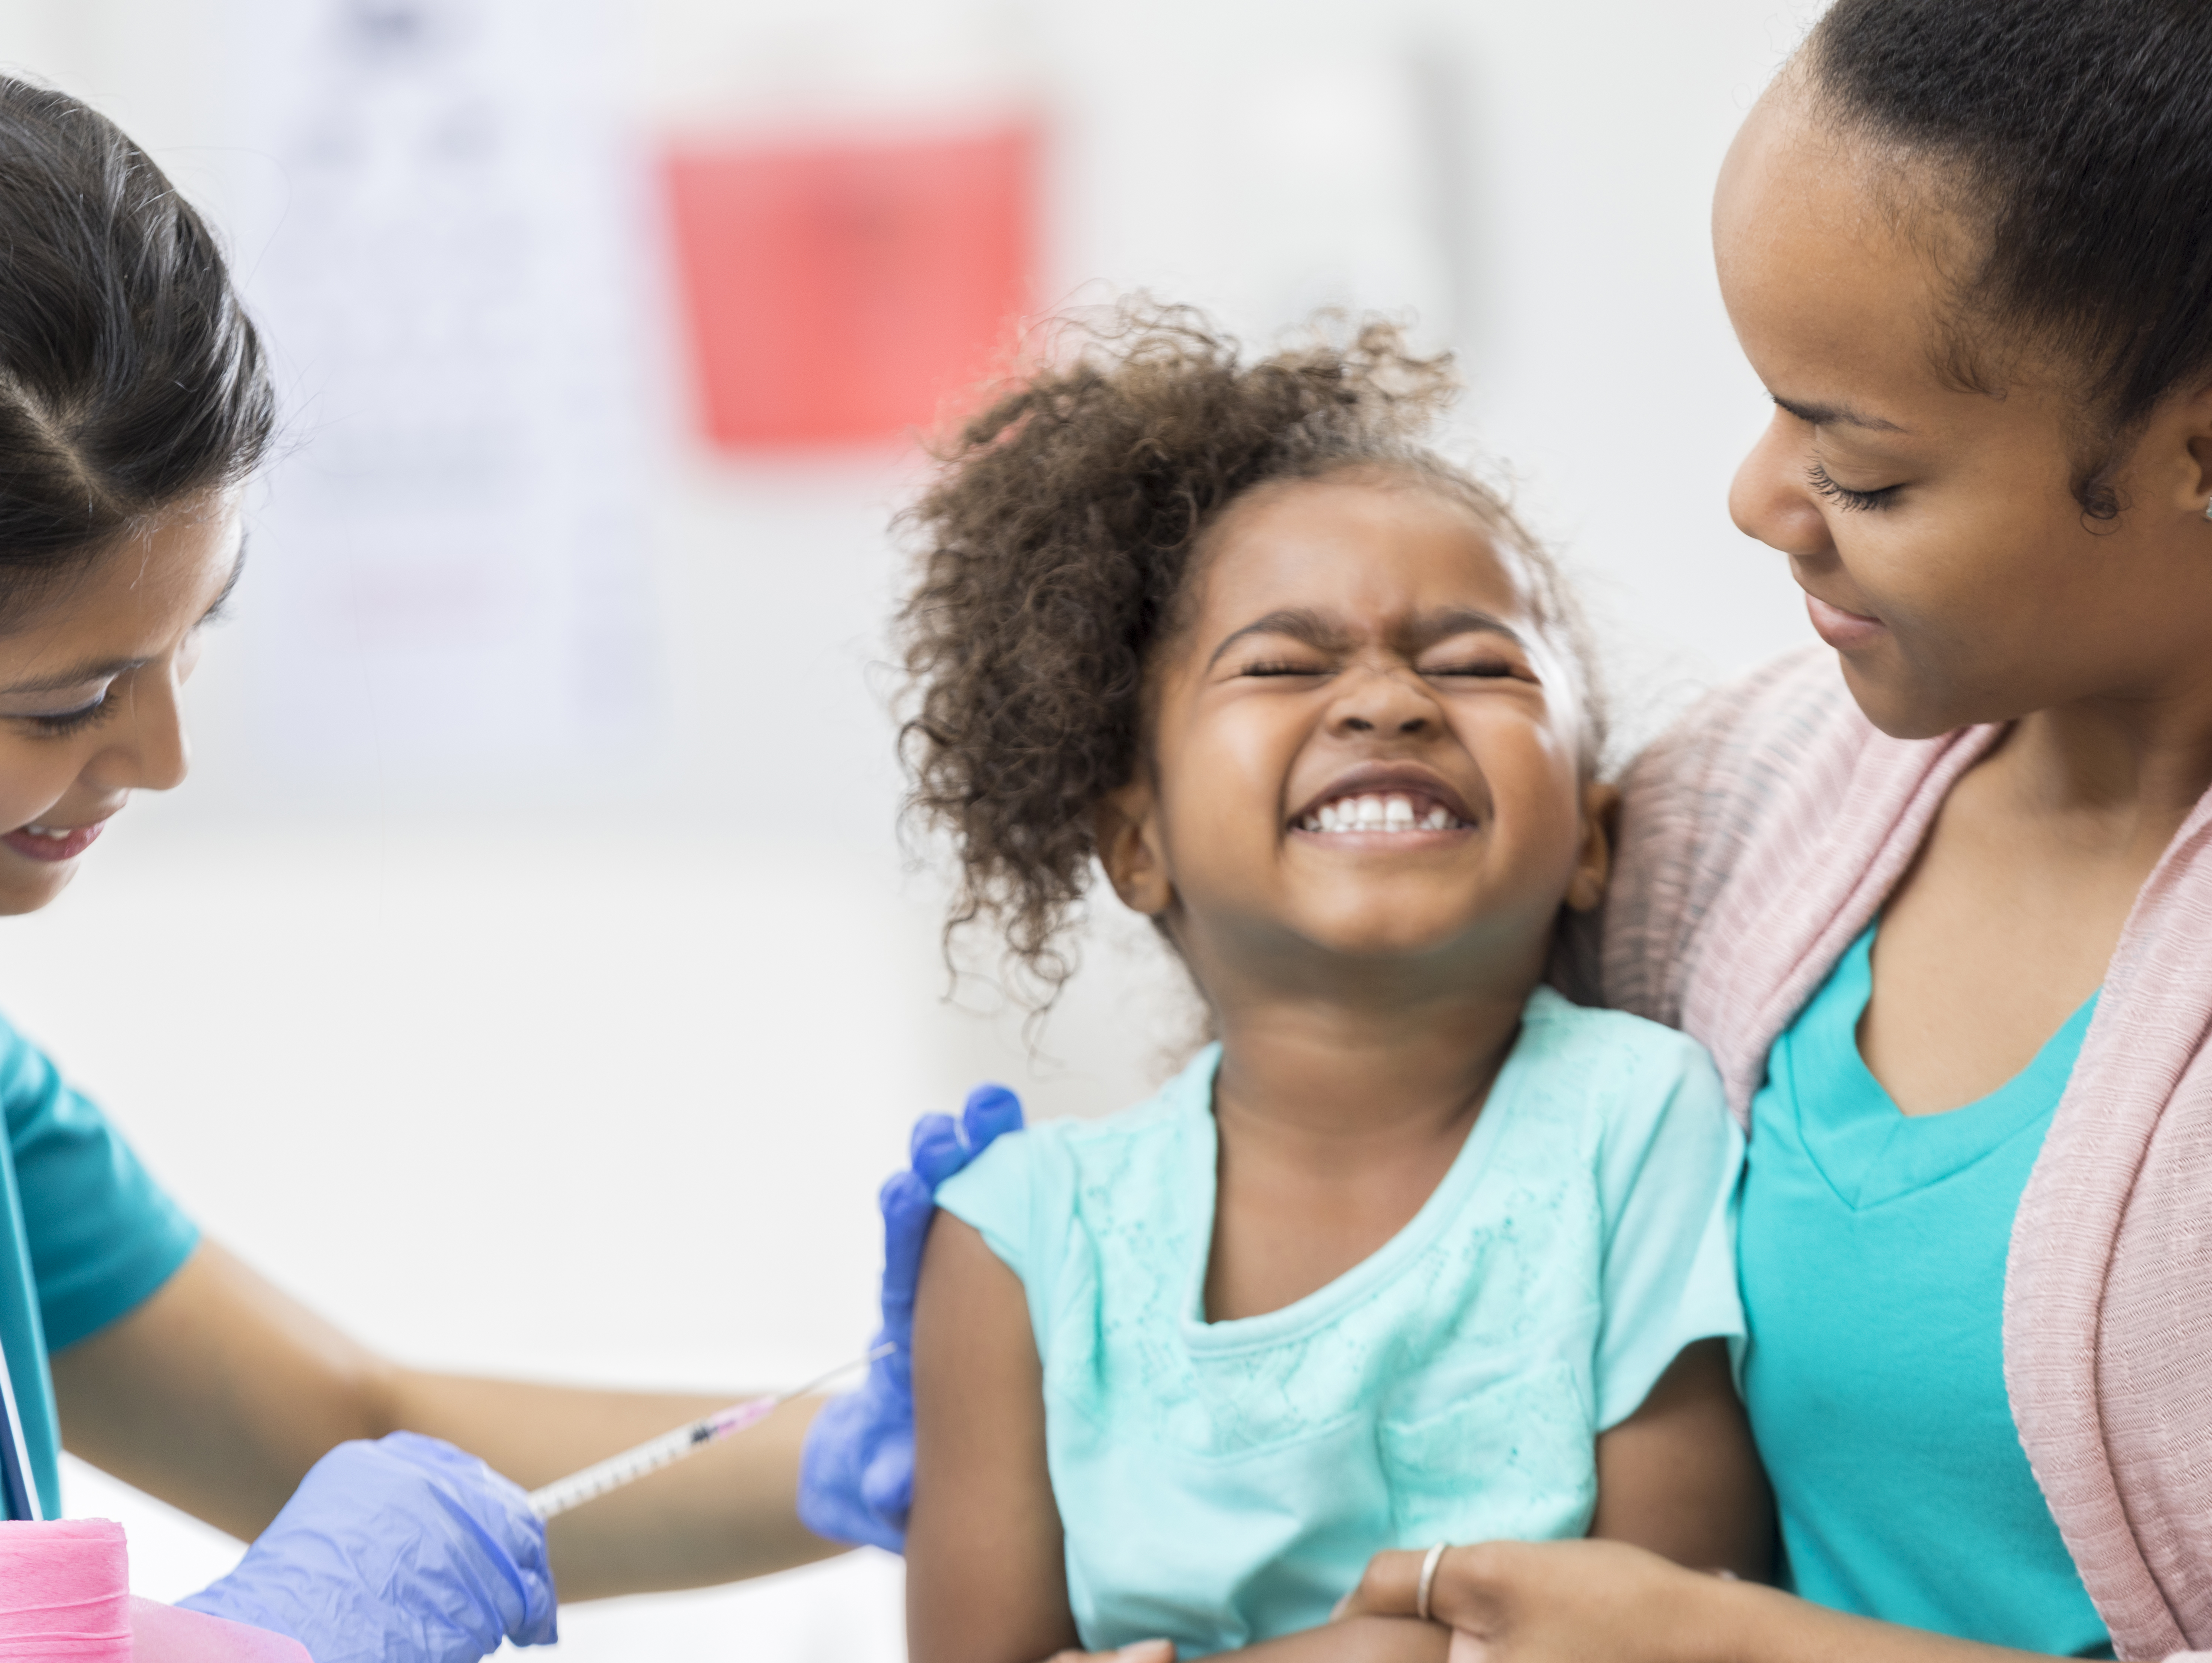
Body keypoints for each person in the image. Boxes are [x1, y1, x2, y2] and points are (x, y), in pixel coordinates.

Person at [822, 2, 2212, 1660]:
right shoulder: (1739, 818)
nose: (1758, 500)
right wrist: (1017, 1347)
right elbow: (1344, 1133)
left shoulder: (1622, 1108)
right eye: (1775, 410)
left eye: (1866, 466)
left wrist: (1732, 1648)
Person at [0, 55, 888, 1663]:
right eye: (64, 703)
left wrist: (901, 1444)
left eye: (192, 643)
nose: (157, 759)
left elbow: (339, 1423)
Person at [889, 311, 1769, 1662]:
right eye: (1285, 665)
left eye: (1477, 666)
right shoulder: (1020, 1240)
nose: (1388, 703)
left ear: (1589, 841)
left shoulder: (1637, 1125)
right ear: (1139, 841)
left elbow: (1674, 1631)